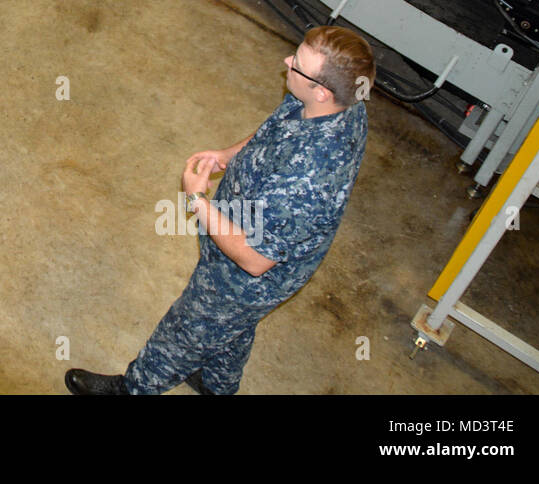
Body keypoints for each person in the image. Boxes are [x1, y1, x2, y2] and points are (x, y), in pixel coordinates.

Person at [65, 26, 374, 395]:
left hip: (247, 276)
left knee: (188, 327)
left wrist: (197, 201)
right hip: (242, 224)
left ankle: (133, 388)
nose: (287, 62)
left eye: (298, 64)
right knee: (230, 326)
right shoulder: (333, 102)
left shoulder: (313, 174)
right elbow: (274, 131)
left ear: (322, 90)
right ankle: (216, 385)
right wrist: (228, 156)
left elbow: (255, 260)